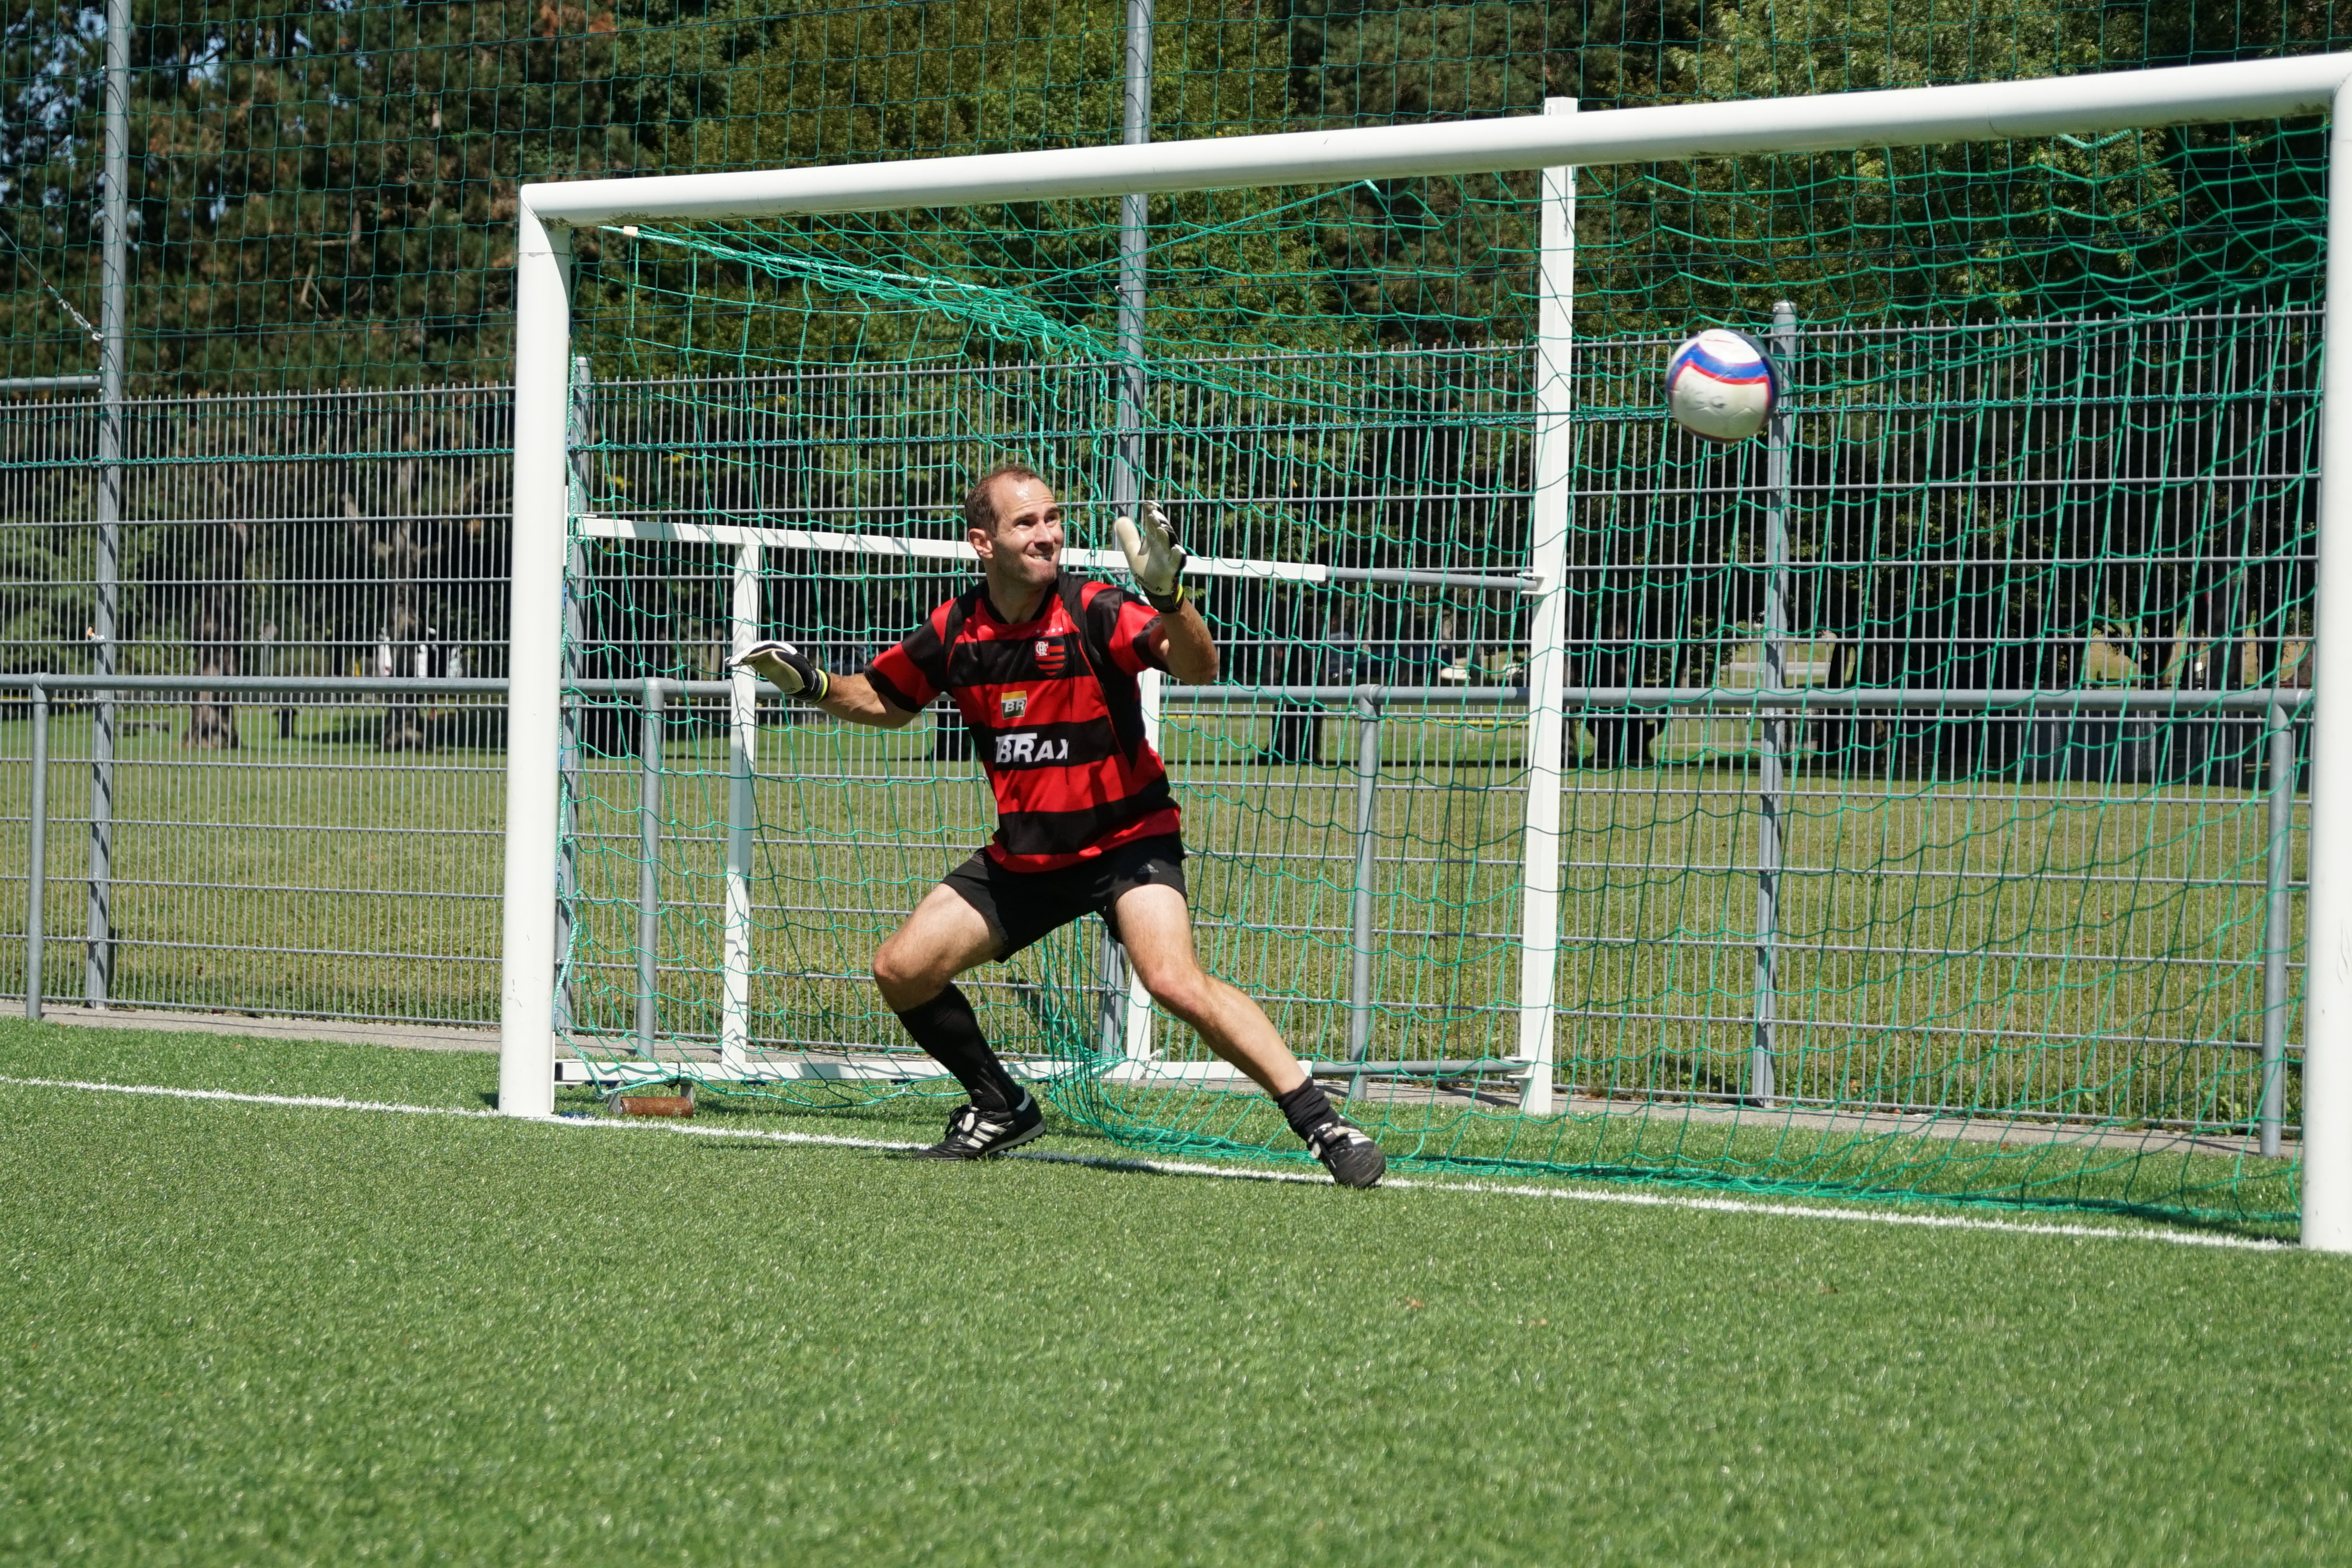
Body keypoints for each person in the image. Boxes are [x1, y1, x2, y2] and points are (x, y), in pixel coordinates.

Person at [735, 461, 1387, 1187]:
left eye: (1052, 518)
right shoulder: (955, 628)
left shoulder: (1094, 608)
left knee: (1173, 980)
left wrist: (1170, 598)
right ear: (983, 542)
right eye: (1027, 522)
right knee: (901, 968)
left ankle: (1324, 1124)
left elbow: (1197, 665)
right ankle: (1001, 1104)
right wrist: (814, 684)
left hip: (1127, 841)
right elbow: (887, 699)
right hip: (1027, 858)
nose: (1048, 534)